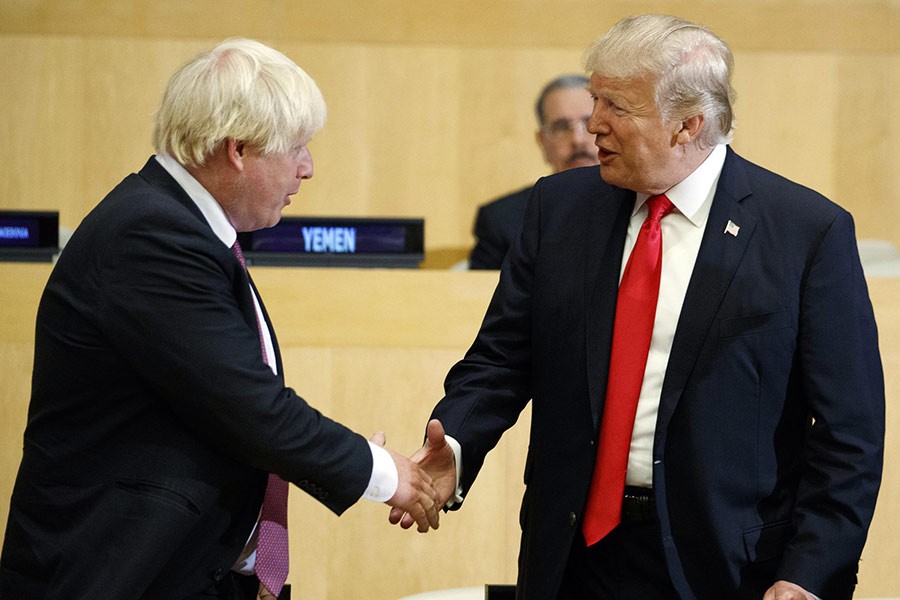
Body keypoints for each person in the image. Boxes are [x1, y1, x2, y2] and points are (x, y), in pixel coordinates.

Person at [396, 14, 885, 600]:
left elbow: (848, 434)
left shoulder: (806, 232)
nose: (591, 124)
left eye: (615, 107)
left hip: (732, 567)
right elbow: (501, 360)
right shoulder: (558, 207)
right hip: (576, 557)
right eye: (595, 96)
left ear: (688, 125)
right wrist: (455, 444)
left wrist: (808, 572)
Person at [0, 38, 440, 600]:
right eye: (297, 147)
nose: (308, 169)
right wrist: (383, 473)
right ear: (238, 149)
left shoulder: (180, 227)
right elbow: (247, 407)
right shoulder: (150, 235)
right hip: (118, 574)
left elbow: (227, 401)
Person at [468, 74, 599, 270]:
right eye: (561, 127)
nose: (578, 140)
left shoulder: (641, 207)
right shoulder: (502, 221)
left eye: (589, 123)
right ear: (542, 142)